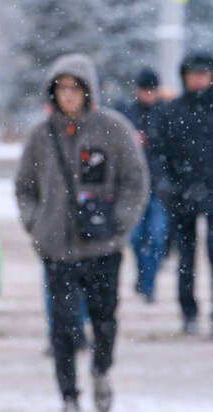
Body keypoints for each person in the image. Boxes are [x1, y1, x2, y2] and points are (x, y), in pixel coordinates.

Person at [15, 54, 148, 412]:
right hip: (57, 249)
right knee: (62, 326)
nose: (68, 95)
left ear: (88, 90)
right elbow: (24, 186)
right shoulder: (42, 136)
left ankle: (102, 371)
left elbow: (136, 181)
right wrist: (35, 222)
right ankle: (69, 395)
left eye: (75, 87)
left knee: (105, 319)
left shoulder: (114, 129)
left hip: (103, 247)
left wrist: (119, 221)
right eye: (61, 87)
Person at [158, 52, 213, 335]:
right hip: (182, 197)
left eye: (204, 73)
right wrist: (170, 186)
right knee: (186, 259)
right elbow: (160, 153)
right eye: (194, 73)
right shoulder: (172, 110)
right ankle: (188, 311)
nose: (199, 78)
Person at [118, 68, 169, 303]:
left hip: (160, 187)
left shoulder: (166, 113)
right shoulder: (128, 113)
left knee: (157, 237)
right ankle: (143, 276)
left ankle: (149, 283)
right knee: (137, 238)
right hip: (134, 186)